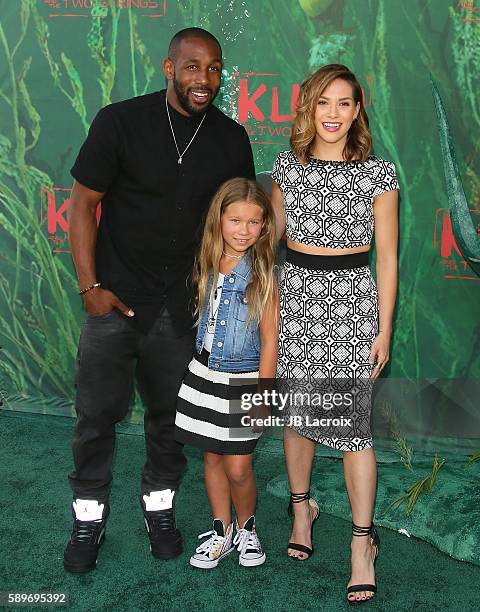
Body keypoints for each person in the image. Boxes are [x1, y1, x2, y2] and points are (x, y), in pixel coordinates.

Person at [64, 28, 255, 573]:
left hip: (182, 306)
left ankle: (160, 511)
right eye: (193, 68)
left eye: (214, 69)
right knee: (96, 418)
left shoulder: (230, 139)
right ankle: (87, 520)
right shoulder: (119, 121)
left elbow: (240, 225)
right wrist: (89, 288)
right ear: (168, 67)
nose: (205, 80)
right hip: (116, 300)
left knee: (169, 421)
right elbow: (81, 206)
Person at [271, 64, 399, 605]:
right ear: (308, 107)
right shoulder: (285, 168)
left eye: (344, 103)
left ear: (358, 109)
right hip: (295, 294)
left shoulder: (379, 175)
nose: (332, 114)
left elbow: (388, 259)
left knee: (353, 430)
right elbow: (267, 244)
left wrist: (384, 329)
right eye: (323, 102)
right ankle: (303, 511)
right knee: (298, 418)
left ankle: (361, 544)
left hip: (351, 302)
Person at [174, 177, 279, 569]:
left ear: (265, 226)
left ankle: (247, 529)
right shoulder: (207, 261)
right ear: (219, 219)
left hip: (245, 380)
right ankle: (223, 532)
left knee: (238, 466)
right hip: (205, 376)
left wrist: (264, 396)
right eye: (235, 220)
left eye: (254, 222)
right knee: (213, 460)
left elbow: (270, 340)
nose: (244, 231)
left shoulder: (263, 273)